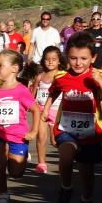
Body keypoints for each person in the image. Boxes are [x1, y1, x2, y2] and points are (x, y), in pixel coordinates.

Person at [41, 32, 102, 203]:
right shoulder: (62, 76)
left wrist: (101, 83)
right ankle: (66, 188)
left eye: (84, 59)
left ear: (93, 58)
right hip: (66, 128)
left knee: (87, 173)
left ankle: (87, 201)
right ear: (66, 57)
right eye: (73, 58)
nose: (78, 63)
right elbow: (53, 93)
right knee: (66, 157)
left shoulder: (99, 76)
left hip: (90, 132)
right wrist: (46, 109)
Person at [0, 50, 39, 203]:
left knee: (16, 173)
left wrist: (34, 131)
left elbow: (36, 110)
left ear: (14, 68)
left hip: (18, 135)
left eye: (0, 65)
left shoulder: (21, 90)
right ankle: (3, 193)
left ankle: (21, 156)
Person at [31, 46, 64, 174]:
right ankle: (41, 163)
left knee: (55, 140)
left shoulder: (62, 75)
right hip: (40, 110)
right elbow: (33, 93)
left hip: (57, 111)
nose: (50, 62)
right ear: (43, 61)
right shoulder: (40, 76)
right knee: (41, 137)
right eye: (47, 59)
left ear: (59, 61)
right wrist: (31, 105)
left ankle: (65, 161)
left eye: (54, 59)